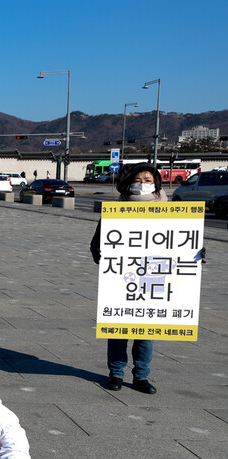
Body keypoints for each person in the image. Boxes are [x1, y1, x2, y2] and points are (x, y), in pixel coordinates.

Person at [89, 163, 168, 394]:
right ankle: (116, 374)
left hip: (153, 274)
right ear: (127, 183)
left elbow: (182, 240)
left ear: (156, 183)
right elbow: (97, 243)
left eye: (148, 179)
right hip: (121, 277)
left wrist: (196, 253)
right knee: (118, 330)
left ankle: (141, 376)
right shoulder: (115, 212)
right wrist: (100, 254)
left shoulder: (170, 211)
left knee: (146, 331)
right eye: (138, 180)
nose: (143, 184)